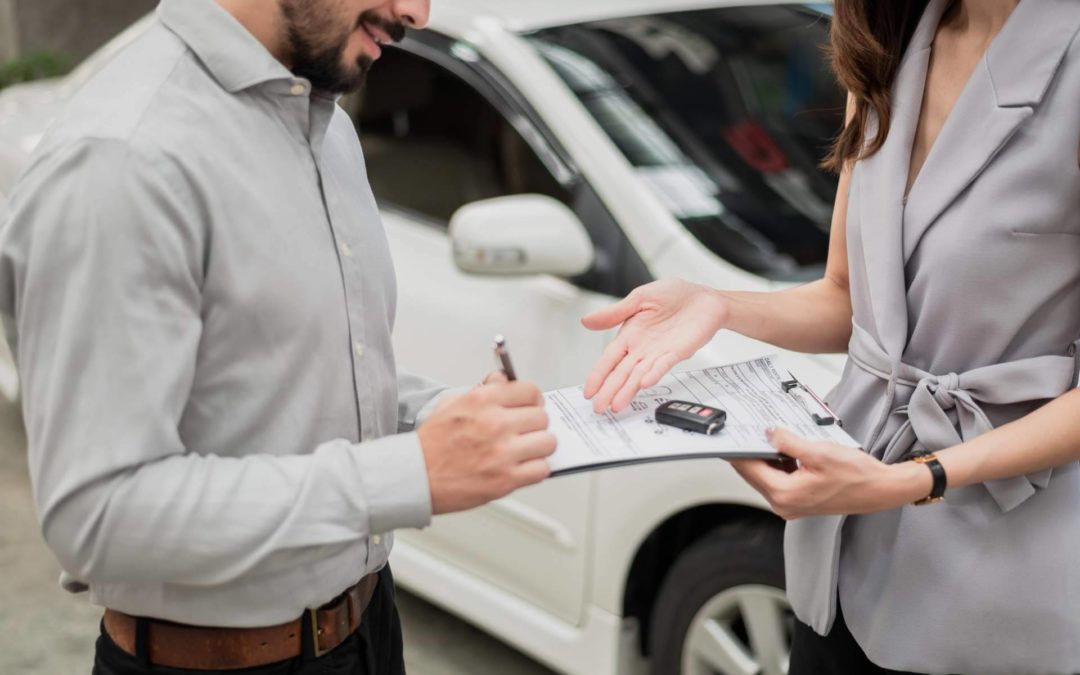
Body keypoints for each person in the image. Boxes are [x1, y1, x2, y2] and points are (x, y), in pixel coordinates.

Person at [0, 0, 557, 673]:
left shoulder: (323, 122)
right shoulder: (122, 158)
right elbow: (98, 516)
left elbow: (291, 366)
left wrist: (441, 417)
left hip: (369, 630)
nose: (417, 10)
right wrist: (409, 473)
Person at [582, 0, 1080, 673]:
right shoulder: (890, 42)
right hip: (843, 550)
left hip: (1004, 574)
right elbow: (849, 299)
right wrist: (717, 303)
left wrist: (917, 478)